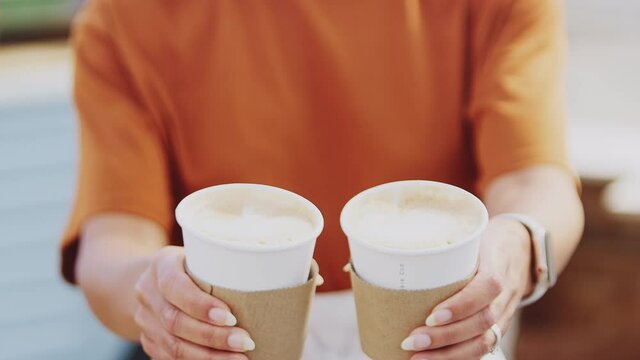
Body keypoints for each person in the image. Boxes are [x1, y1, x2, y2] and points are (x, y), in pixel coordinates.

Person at [60, 0, 584, 359]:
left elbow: (534, 179)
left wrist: (516, 248)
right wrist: (153, 295)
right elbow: (113, 247)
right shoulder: (125, 20)